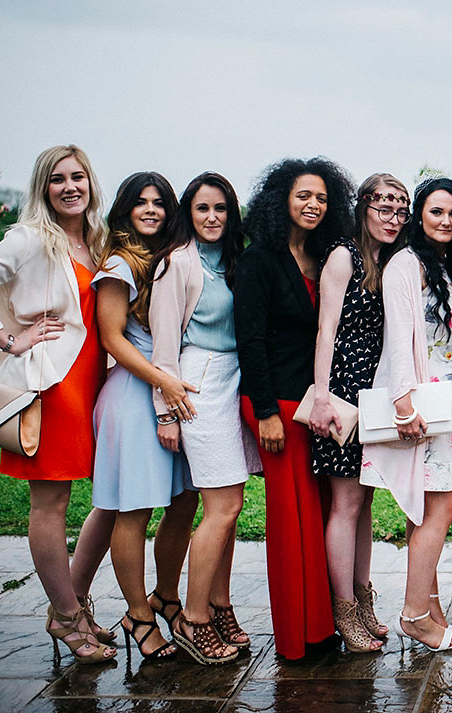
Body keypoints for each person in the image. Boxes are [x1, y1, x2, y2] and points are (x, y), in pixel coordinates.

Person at [0, 144, 116, 663]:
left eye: (78, 176)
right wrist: (9, 339)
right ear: (44, 188)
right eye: (58, 179)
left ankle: (68, 602)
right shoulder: (30, 239)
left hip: (99, 384)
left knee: (115, 496)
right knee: (50, 505)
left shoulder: (98, 242)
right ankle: (69, 615)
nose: (70, 187)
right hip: (53, 387)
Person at [235, 157, 352, 659]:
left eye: (322, 198)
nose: (313, 205)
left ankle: (321, 628)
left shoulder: (324, 256)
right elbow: (250, 339)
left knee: (319, 512)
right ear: (282, 197)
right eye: (304, 195)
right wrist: (264, 412)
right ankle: (294, 639)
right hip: (274, 403)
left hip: (312, 403)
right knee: (290, 519)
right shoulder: (259, 260)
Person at [361, 176, 452, 652]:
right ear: (419, 217)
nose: (446, 221)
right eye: (436, 212)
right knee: (444, 504)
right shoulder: (404, 266)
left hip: (447, 395)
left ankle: (428, 607)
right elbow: (399, 336)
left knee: (429, 508)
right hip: (421, 398)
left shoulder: (444, 266)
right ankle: (413, 614)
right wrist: (403, 402)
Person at [150, 172, 259, 664]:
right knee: (222, 508)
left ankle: (219, 604)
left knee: (230, 511)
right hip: (198, 382)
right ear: (188, 215)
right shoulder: (177, 263)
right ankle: (193, 620)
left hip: (234, 377)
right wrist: (165, 411)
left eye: (220, 209)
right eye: (202, 209)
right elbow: (164, 341)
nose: (212, 218)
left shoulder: (235, 260)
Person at [92, 172, 198, 660]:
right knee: (133, 510)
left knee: (182, 502)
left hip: (168, 394)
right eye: (142, 203)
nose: (151, 210)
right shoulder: (119, 264)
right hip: (134, 396)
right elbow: (112, 337)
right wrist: (163, 381)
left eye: (160, 203)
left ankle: (167, 595)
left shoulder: (170, 259)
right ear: (126, 210)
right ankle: (137, 613)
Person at [307, 173, 410, 652]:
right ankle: (343, 609)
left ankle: (365, 601)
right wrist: (323, 396)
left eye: (400, 209)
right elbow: (325, 329)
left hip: (375, 393)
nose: (393, 217)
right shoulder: (343, 255)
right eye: (384, 206)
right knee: (345, 504)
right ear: (364, 207)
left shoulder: (388, 260)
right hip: (344, 393)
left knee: (365, 501)